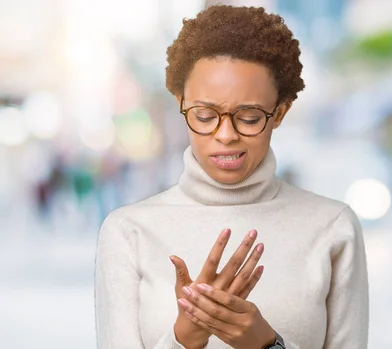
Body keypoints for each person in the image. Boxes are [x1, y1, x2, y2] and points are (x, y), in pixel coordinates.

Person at [94, 5, 369, 349]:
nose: (226, 135)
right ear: (181, 104)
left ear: (280, 112)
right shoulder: (127, 232)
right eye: (205, 115)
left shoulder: (333, 226)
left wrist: (268, 346)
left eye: (250, 117)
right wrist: (185, 339)